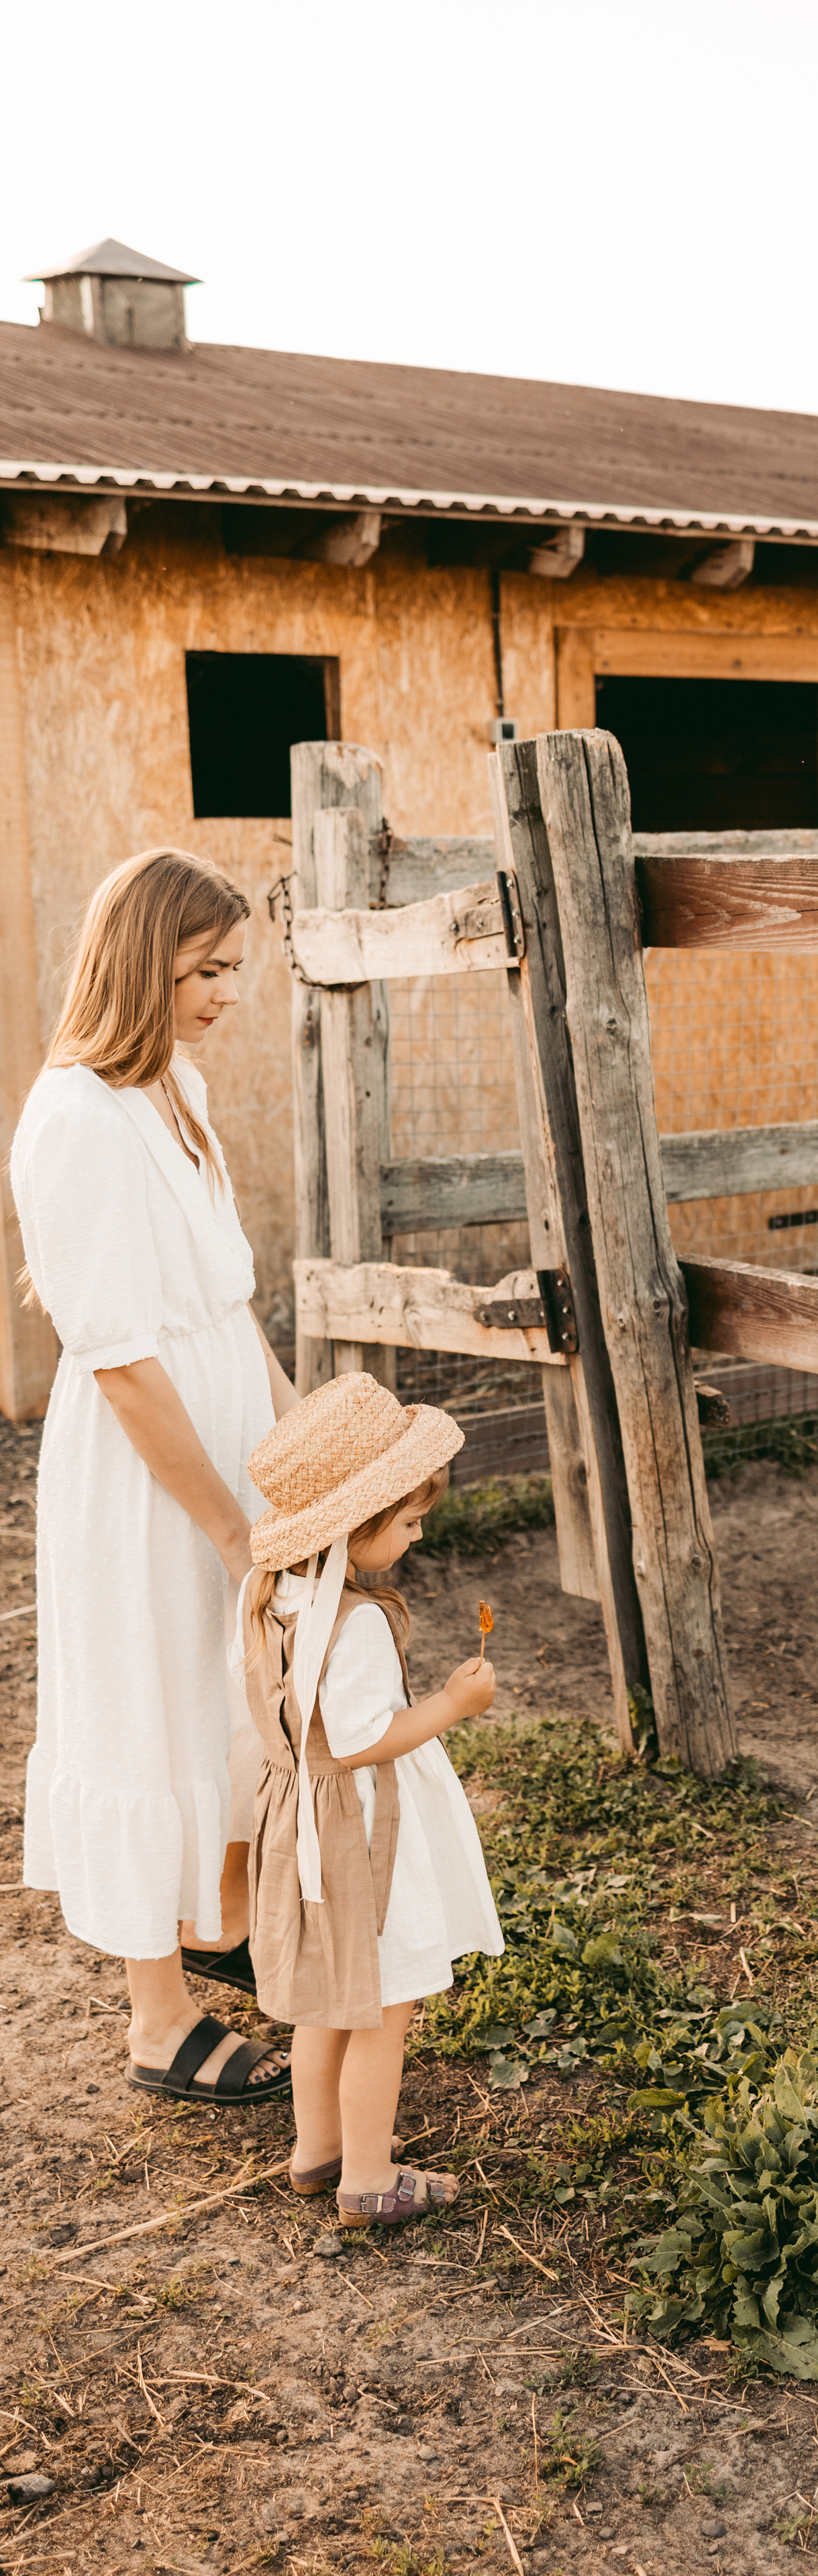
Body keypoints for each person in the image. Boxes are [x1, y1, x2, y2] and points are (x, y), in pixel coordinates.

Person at [11, 849, 298, 2104]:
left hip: (224, 1436)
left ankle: (213, 1919)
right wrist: (232, 1528)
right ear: (144, 965)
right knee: (149, 1705)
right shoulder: (71, 1119)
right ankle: (156, 2018)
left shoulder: (175, 1086)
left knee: (222, 1693)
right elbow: (124, 1363)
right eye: (206, 971)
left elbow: (227, 1302)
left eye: (233, 968)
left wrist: (298, 1450)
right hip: (146, 1478)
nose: (228, 994)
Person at [240, 1372, 502, 2224]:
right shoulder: (349, 1623)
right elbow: (359, 1741)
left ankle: (315, 2150)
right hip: (357, 1836)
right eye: (410, 1521)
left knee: (329, 1999)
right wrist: (450, 1708)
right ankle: (367, 2177)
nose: (419, 1535)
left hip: (303, 1817)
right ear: (359, 1523)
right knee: (385, 2009)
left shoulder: (276, 1593)